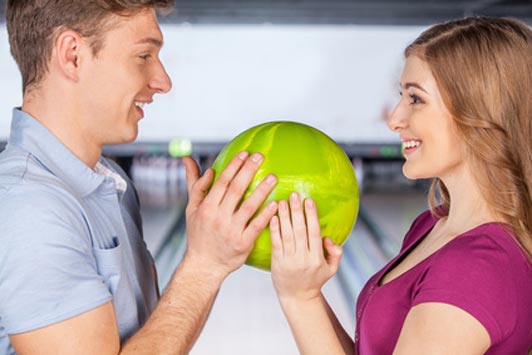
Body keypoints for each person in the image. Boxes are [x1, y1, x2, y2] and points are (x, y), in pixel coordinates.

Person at [0, 1, 278, 354]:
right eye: (144, 56)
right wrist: (205, 264)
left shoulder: (111, 182)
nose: (163, 82)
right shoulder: (29, 209)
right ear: (72, 56)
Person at [269, 16, 532, 354]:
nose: (394, 119)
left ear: (480, 113)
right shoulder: (433, 225)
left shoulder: (476, 268)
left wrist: (299, 299)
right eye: (401, 96)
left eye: (416, 99)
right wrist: (304, 295)